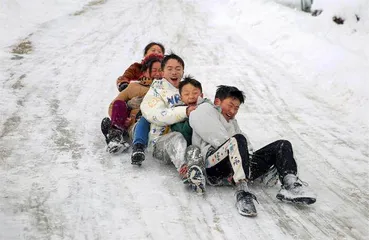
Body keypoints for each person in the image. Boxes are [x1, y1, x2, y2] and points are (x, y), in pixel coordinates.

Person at [189, 85, 317, 217]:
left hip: (235, 164)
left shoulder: (233, 123)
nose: (233, 111)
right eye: (230, 105)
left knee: (282, 145)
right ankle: (242, 192)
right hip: (214, 167)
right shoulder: (204, 110)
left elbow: (246, 145)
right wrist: (239, 149)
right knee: (238, 140)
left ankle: (290, 185)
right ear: (217, 102)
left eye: (236, 108)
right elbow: (217, 137)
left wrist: (253, 162)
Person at [138, 54, 206, 193]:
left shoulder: (187, 89)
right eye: (169, 69)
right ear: (162, 72)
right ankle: (184, 169)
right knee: (176, 138)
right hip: (161, 143)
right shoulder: (156, 90)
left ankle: (197, 172)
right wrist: (185, 111)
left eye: (178, 68)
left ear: (183, 71)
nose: (174, 72)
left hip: (187, 137)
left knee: (194, 148)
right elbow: (155, 115)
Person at [130, 76, 204, 164]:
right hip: (156, 134)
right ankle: (138, 145)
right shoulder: (177, 110)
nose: (191, 96)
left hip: (180, 140)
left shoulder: (179, 100)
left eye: (195, 93)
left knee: (193, 148)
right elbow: (157, 115)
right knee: (144, 120)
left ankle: (198, 165)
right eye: (187, 94)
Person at [101, 54, 163, 154]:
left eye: (161, 70)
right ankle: (116, 135)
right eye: (154, 70)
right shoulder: (134, 87)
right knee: (119, 104)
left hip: (154, 123)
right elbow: (113, 105)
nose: (157, 73)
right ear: (145, 72)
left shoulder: (168, 88)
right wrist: (126, 113)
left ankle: (112, 131)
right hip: (133, 125)